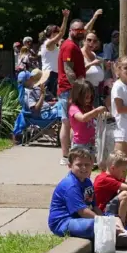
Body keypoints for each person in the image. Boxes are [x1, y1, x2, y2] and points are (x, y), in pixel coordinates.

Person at [48, 148, 127, 248]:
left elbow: (94, 206)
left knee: (112, 217)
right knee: (93, 225)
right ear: (69, 166)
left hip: (79, 218)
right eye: (79, 165)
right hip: (63, 222)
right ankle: (118, 235)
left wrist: (107, 219)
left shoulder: (87, 182)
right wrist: (103, 221)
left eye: (87, 165)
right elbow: (83, 211)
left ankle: (122, 233)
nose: (84, 168)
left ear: (92, 166)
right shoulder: (70, 185)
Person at [57, 19, 86, 165]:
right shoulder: (69, 46)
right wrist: (77, 89)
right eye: (77, 30)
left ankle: (71, 155)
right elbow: (68, 69)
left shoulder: (73, 45)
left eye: (82, 30)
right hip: (68, 90)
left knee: (72, 123)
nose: (80, 33)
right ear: (70, 31)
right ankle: (65, 156)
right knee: (67, 123)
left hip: (70, 89)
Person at [69, 80, 107, 155]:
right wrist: (96, 110)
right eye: (86, 97)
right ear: (78, 96)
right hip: (80, 144)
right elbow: (83, 118)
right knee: (81, 163)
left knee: (90, 164)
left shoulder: (89, 107)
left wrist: (104, 114)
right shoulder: (73, 108)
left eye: (90, 97)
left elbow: (96, 116)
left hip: (91, 143)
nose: (89, 100)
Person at [39, 9, 70, 97]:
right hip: (50, 75)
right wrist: (65, 18)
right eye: (57, 32)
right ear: (52, 33)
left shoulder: (52, 45)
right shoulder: (48, 43)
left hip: (54, 75)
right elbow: (62, 33)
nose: (59, 34)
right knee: (50, 101)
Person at [82, 32, 105, 107]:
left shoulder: (94, 54)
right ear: (84, 41)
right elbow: (78, 72)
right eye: (89, 40)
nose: (92, 43)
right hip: (84, 92)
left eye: (94, 41)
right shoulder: (79, 53)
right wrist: (91, 64)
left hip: (96, 91)